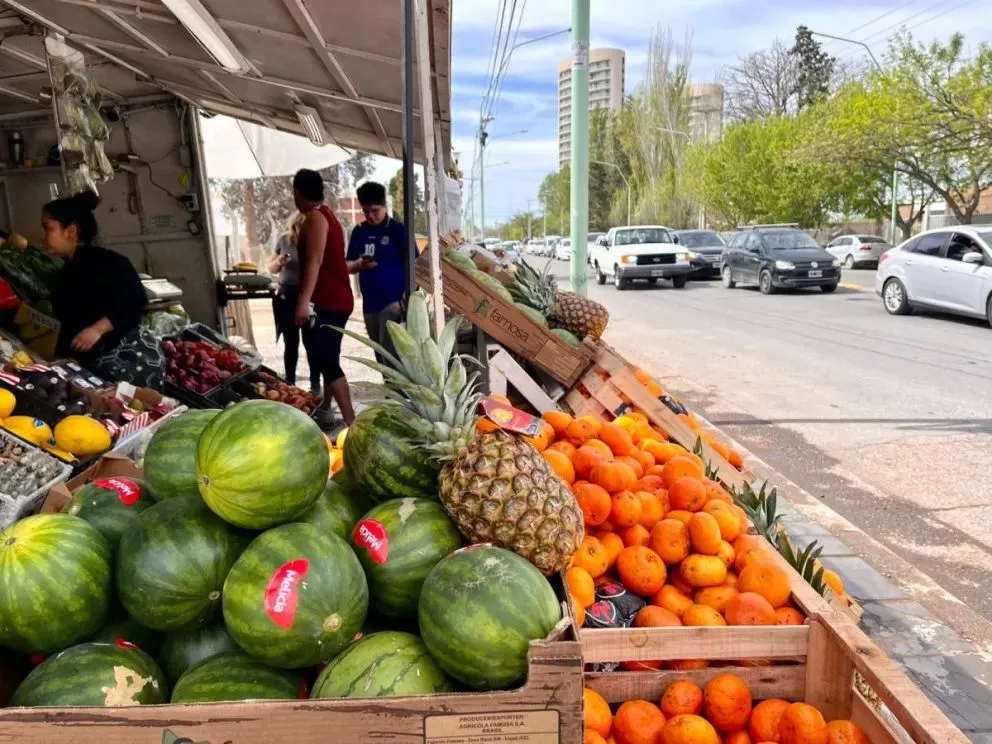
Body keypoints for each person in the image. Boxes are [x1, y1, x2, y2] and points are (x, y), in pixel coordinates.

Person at [42, 191, 165, 389]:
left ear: (71, 231)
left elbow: (134, 302)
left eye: (48, 228)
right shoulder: (65, 275)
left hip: (133, 364)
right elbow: (70, 324)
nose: (43, 236)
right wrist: (60, 361)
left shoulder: (110, 263)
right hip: (97, 370)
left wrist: (98, 329)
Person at [293, 169, 356, 428]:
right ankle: (327, 408)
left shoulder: (316, 218)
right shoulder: (327, 215)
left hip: (327, 301)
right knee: (329, 356)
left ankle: (352, 423)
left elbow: (315, 262)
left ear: (297, 193)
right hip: (337, 299)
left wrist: (303, 302)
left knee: (327, 360)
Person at [345, 181, 407, 367]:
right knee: (379, 357)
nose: (370, 216)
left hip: (393, 303)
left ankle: (398, 395)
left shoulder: (397, 230)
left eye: (375, 211)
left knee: (392, 356)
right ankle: (389, 393)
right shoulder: (359, 232)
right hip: (370, 304)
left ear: (384, 206)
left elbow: (415, 265)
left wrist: (405, 297)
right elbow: (347, 266)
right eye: (366, 212)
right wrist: (359, 264)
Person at [266, 212, 320, 393]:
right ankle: (290, 381)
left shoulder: (314, 242)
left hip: (310, 296)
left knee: (311, 341)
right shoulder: (284, 240)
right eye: (298, 228)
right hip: (287, 295)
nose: (301, 232)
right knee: (291, 342)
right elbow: (271, 267)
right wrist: (280, 262)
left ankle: (315, 382)